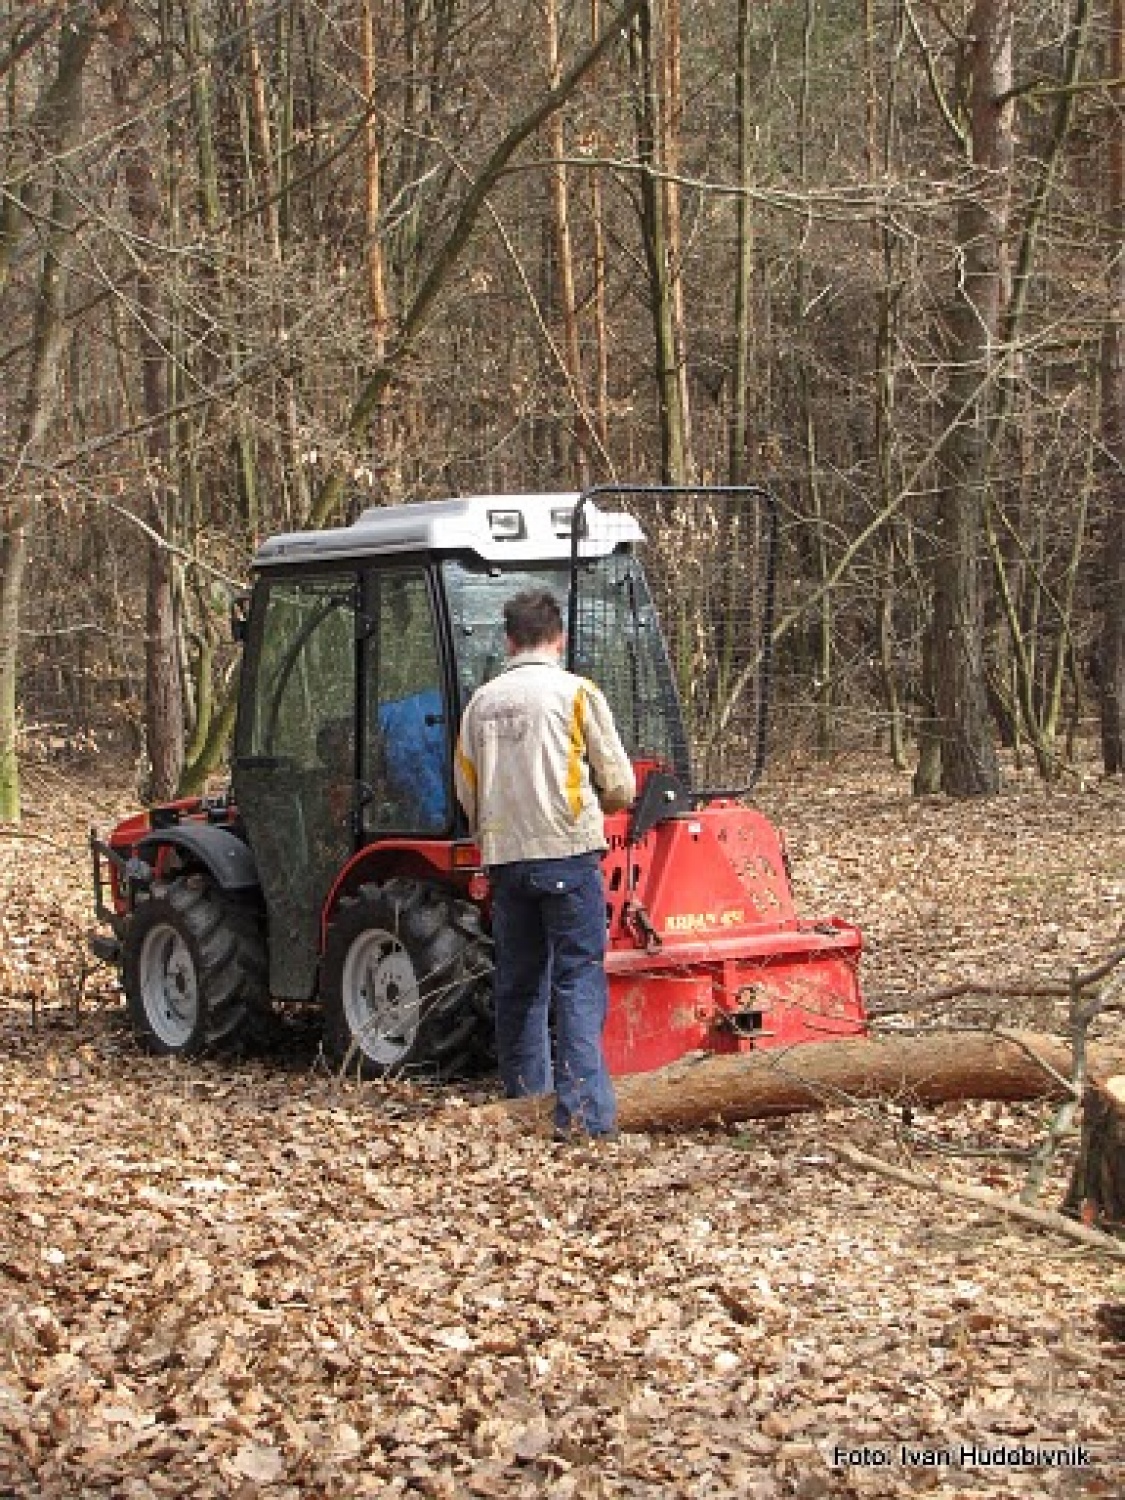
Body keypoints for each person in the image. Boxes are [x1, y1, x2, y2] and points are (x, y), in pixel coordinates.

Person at [454, 590, 636, 1139]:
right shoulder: (577, 693)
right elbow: (621, 784)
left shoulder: (481, 703)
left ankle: (526, 1102)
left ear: (508, 639)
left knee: (520, 981)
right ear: (558, 638)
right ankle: (583, 1115)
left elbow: (467, 787)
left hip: (507, 861)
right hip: (569, 855)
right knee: (578, 978)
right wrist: (595, 807)